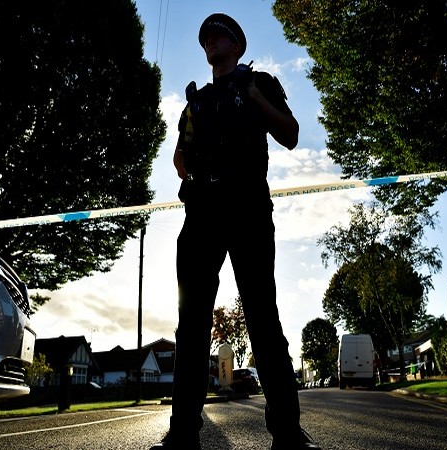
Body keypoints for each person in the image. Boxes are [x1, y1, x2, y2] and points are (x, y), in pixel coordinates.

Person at [150, 12, 321, 450]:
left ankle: (287, 436)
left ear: (237, 45)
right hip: (202, 214)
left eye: (219, 34)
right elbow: (178, 157)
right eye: (206, 35)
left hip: (247, 208)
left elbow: (290, 133)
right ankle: (182, 436)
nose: (210, 39)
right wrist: (193, 176)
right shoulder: (196, 101)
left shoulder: (259, 82)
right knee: (191, 327)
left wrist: (251, 93)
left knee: (263, 319)